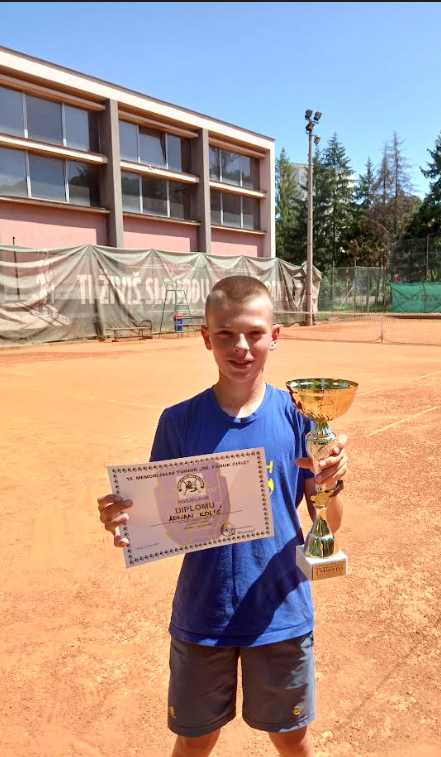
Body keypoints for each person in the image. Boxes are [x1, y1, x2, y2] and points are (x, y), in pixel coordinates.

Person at [97, 276, 349, 757]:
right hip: (204, 612)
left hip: (279, 611)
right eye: (226, 334)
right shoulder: (179, 421)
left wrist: (329, 482)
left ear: (275, 336)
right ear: (206, 337)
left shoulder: (301, 418)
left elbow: (330, 525)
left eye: (254, 333)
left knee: (292, 738)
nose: (241, 347)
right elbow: (158, 516)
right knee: (195, 739)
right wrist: (125, 521)